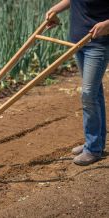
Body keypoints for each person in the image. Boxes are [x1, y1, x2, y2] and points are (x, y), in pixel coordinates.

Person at [46, 0, 109, 165]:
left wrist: (107, 24)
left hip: (97, 43)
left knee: (88, 94)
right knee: (94, 93)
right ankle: (95, 142)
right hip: (77, 40)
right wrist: (55, 10)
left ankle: (93, 150)